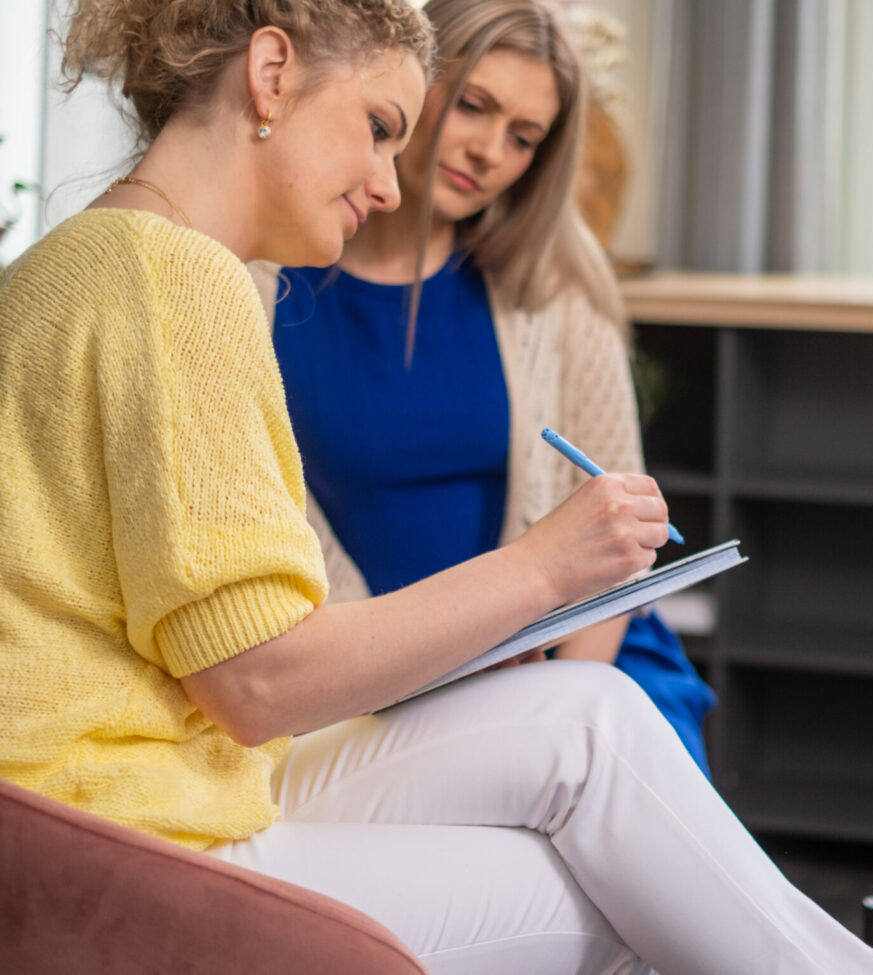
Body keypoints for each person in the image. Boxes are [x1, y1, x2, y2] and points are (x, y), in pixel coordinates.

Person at [0, 2, 873, 973]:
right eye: (381, 128)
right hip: (134, 826)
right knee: (610, 889)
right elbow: (259, 680)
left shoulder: (74, 261)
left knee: (594, 722)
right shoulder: (183, 284)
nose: (393, 185)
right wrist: (538, 569)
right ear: (269, 77)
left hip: (155, 772)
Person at [266, 0, 718, 777]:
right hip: (372, 676)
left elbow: (617, 551)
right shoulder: (264, 285)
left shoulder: (554, 290)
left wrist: (562, 691)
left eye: (523, 138)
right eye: (475, 104)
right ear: (411, 81)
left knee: (629, 791)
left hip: (572, 653)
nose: (488, 152)